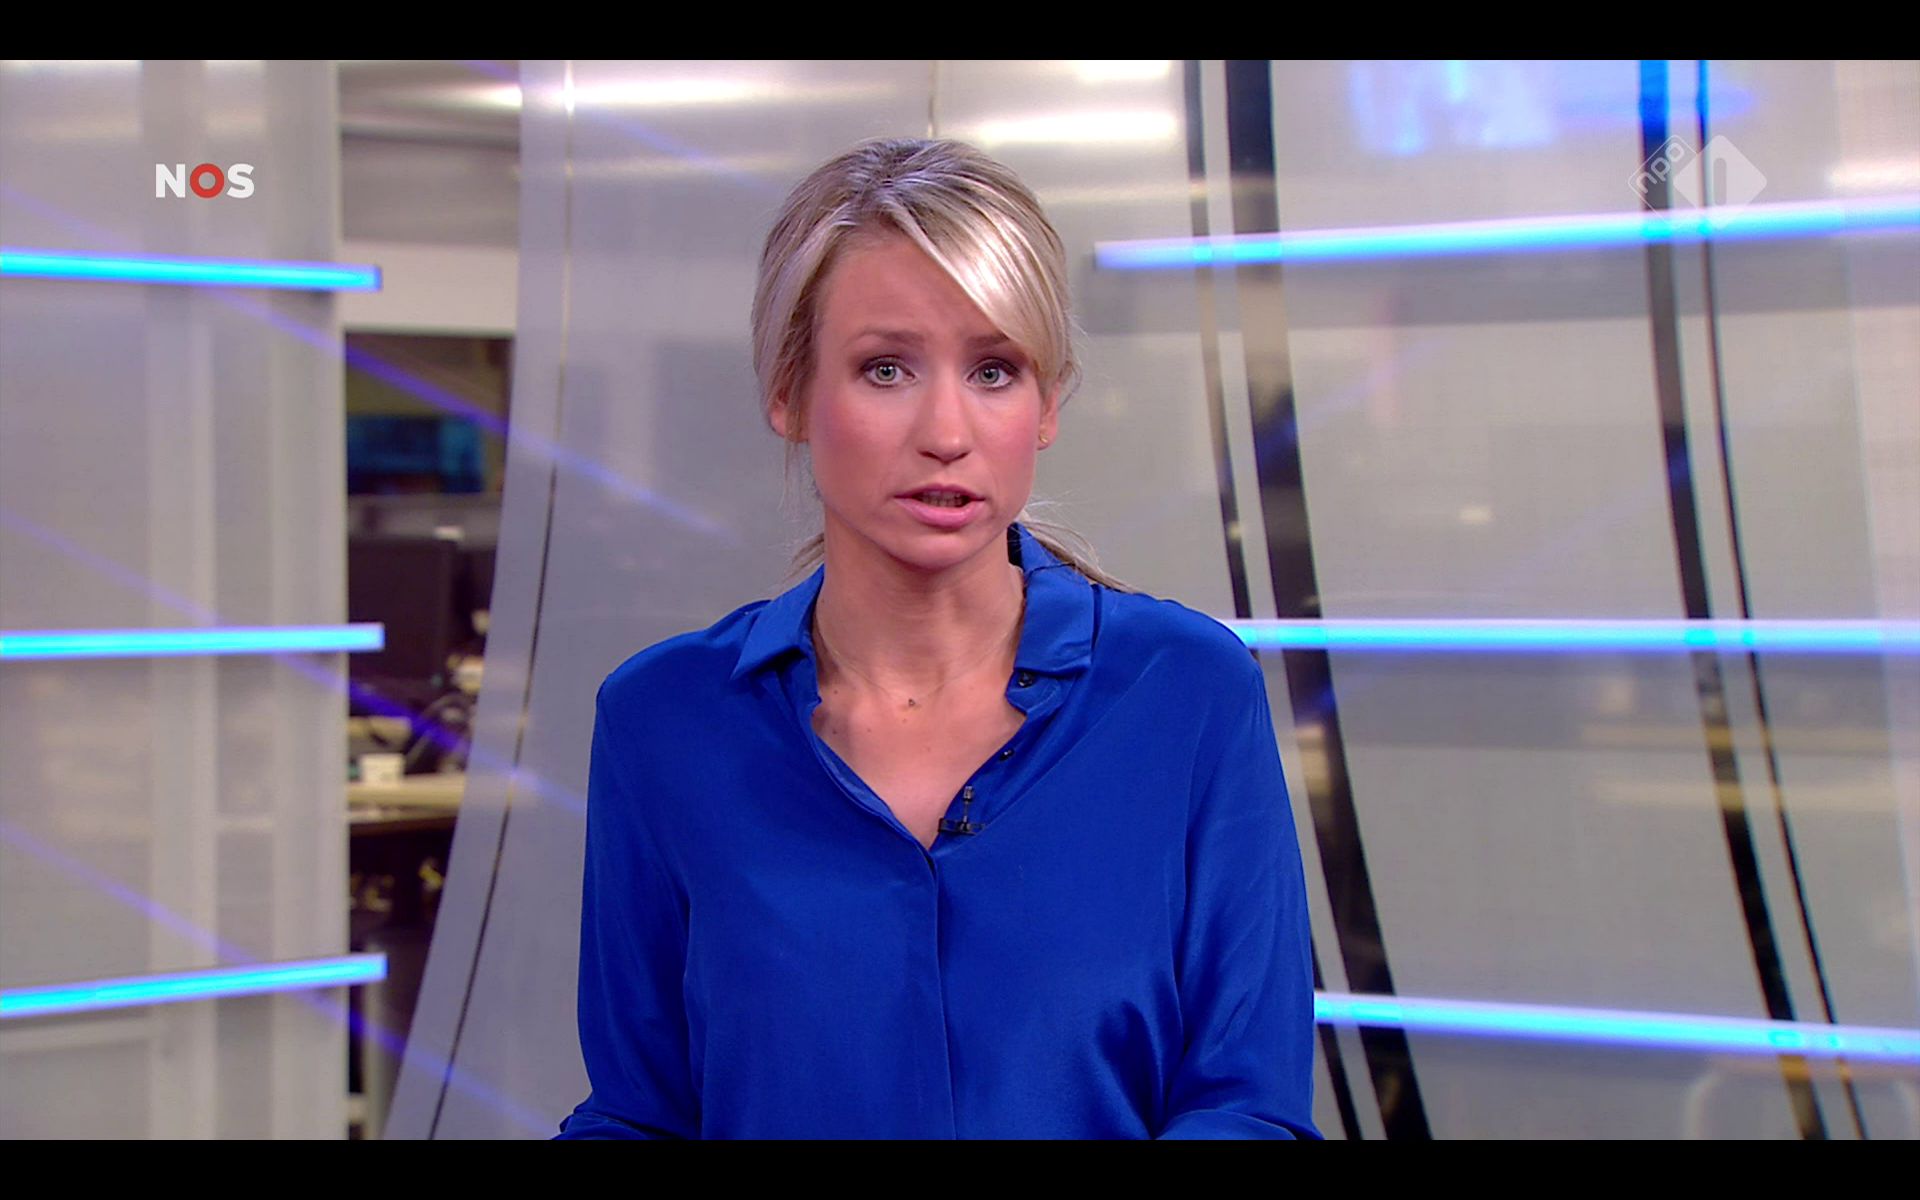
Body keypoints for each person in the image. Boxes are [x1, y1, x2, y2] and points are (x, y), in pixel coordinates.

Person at [556, 138, 1319, 1139]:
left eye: (995, 370)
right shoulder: (665, 721)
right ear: (788, 391)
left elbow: (1246, 1106)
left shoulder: (1187, 693)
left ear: (1047, 404)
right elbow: (641, 1112)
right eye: (886, 369)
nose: (946, 432)